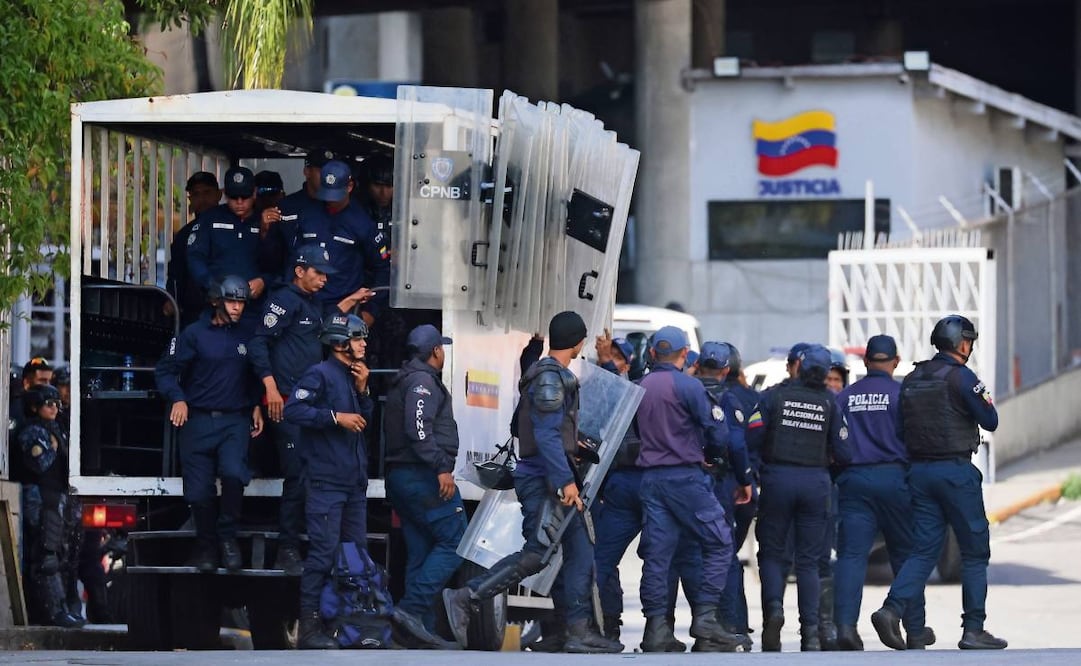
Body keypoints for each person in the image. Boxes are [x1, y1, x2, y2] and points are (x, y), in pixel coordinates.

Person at [443, 311, 622, 654]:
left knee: (580, 553)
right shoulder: (549, 377)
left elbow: (553, 430)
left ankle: (574, 631)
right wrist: (565, 481)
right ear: (578, 341)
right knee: (538, 554)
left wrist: (577, 446)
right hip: (544, 480)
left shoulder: (549, 375)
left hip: (554, 476)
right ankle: (467, 596)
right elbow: (545, 434)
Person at [870, 315, 1006, 651]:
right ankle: (973, 629)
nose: (970, 347)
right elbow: (990, 420)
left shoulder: (913, 378)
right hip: (955, 472)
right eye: (969, 341)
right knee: (974, 552)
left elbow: (902, 430)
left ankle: (891, 609)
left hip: (919, 473)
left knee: (924, 549)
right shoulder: (963, 378)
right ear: (962, 343)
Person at [634, 326, 748, 652]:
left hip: (650, 480)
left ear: (653, 353)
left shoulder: (639, 386)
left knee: (657, 555)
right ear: (685, 355)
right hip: (685, 478)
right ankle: (707, 617)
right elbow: (718, 432)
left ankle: (656, 629)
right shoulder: (689, 386)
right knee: (719, 541)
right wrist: (711, 457)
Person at [154, 275, 263, 572]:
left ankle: (227, 539)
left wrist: (255, 404)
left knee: (232, 474)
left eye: (241, 302)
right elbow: (165, 370)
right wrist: (177, 398)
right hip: (198, 419)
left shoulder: (248, 334)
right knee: (198, 491)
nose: (237, 307)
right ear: (217, 301)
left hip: (234, 420)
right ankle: (206, 546)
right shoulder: (193, 334)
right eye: (232, 301)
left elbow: (258, 372)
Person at [747, 344, 850, 652]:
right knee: (808, 562)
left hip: (777, 480)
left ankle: (773, 613)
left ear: (799, 367)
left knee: (772, 555)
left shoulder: (773, 396)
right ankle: (810, 634)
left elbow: (751, 435)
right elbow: (845, 452)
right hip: (815, 483)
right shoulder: (830, 403)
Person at [833, 335, 932, 651]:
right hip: (896, 480)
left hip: (854, 480)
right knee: (906, 555)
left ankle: (846, 628)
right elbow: (918, 440)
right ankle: (915, 630)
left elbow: (834, 443)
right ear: (896, 361)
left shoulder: (844, 398)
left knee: (851, 557)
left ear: (865, 361)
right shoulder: (903, 395)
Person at [283, 313, 373, 650]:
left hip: (353, 483)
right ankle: (309, 628)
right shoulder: (318, 374)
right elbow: (294, 410)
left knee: (355, 556)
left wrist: (363, 391)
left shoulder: (353, 376)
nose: (364, 343)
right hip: (326, 482)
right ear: (339, 343)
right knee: (322, 555)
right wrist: (335, 417)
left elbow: (365, 422)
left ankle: (349, 625)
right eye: (358, 337)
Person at [248, 244, 336, 575]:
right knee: (297, 472)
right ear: (300, 271)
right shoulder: (283, 300)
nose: (324, 279)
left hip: (308, 402)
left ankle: (308, 543)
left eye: (327, 274)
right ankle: (287, 547)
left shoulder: (312, 303)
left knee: (313, 471)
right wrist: (269, 388)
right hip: (284, 401)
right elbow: (259, 343)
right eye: (318, 273)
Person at [383, 324, 467, 646]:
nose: (444, 352)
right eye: (442, 348)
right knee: (456, 541)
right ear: (435, 351)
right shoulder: (422, 381)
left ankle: (418, 634)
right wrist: (442, 467)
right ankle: (411, 611)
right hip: (421, 476)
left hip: (404, 477)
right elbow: (418, 431)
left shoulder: (409, 378)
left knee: (421, 550)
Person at [693, 342, 755, 648]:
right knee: (723, 553)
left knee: (686, 555)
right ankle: (730, 625)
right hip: (719, 482)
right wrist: (746, 480)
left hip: (684, 480)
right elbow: (737, 445)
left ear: (697, 365)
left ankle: (665, 629)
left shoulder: (685, 391)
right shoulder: (728, 399)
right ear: (726, 370)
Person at [13, 384, 84, 628]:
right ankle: (52, 611)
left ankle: (62, 608)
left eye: (57, 403)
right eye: (49, 403)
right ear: (35, 406)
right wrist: (52, 446)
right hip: (41, 497)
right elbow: (39, 464)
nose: (55, 408)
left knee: (63, 556)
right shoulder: (32, 431)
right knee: (46, 556)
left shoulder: (56, 428)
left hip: (58, 497)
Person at [299, 160, 390, 323]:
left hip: (346, 305)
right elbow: (292, 260)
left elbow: (383, 268)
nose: (331, 200)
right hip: (307, 303)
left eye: (336, 195)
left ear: (349, 186)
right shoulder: (307, 215)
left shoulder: (363, 223)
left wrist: (371, 312)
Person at [186, 166, 273, 314]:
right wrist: (213, 286)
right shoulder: (210, 219)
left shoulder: (265, 221)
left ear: (254, 193)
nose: (239, 202)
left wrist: (264, 281)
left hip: (256, 308)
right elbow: (195, 257)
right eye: (234, 197)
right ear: (225, 194)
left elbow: (280, 262)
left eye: (244, 196)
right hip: (217, 307)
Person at [167, 171, 222, 327]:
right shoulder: (184, 235)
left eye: (207, 192)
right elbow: (176, 273)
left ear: (218, 194)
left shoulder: (233, 225)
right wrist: (173, 298)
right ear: (190, 198)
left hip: (229, 307)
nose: (202, 199)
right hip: (194, 313)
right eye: (196, 194)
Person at [10, 357, 54, 436]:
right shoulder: (16, 409)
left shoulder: (51, 408)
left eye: (49, 381)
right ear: (27, 383)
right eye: (42, 380)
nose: (48, 386)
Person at [361, 152, 394, 240]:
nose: (383, 192)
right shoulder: (356, 212)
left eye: (389, 186)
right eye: (377, 186)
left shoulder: (405, 212)